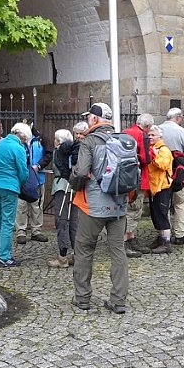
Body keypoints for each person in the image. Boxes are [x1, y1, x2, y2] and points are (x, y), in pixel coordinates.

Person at [69, 103, 129, 314]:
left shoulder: (89, 142)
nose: (87, 121)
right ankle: (118, 300)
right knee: (118, 251)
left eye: (88, 118)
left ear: (95, 119)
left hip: (92, 206)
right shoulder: (122, 140)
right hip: (119, 205)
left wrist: (73, 181)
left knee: (84, 250)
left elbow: (81, 171)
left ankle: (83, 298)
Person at [0, 123, 31, 267]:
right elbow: (23, 172)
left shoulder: (0, 143)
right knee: (7, 222)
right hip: (9, 187)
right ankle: (4, 257)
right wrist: (23, 183)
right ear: (23, 136)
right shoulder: (18, 148)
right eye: (26, 139)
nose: (25, 141)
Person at [158, 108, 184, 244]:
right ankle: (180, 234)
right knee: (181, 203)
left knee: (163, 203)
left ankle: (164, 233)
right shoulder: (181, 131)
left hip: (162, 173)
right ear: (178, 117)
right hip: (179, 173)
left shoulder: (159, 129)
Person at [122, 113, 153, 258]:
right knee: (134, 209)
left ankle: (132, 238)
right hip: (138, 177)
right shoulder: (143, 135)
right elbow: (146, 158)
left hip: (124, 177)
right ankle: (126, 242)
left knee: (128, 208)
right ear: (147, 126)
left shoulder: (125, 132)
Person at [47, 129, 79, 268]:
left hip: (63, 187)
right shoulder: (70, 152)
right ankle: (77, 256)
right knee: (74, 222)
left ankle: (63, 257)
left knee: (62, 220)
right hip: (72, 187)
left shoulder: (60, 150)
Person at [15, 125, 52, 244]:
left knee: (37, 205)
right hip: (21, 177)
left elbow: (48, 154)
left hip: (37, 177)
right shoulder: (17, 140)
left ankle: (36, 230)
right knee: (21, 205)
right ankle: (21, 231)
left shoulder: (41, 138)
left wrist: (39, 165)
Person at [146, 125, 175, 253]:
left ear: (160, 137)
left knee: (162, 213)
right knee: (155, 214)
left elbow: (163, 165)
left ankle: (166, 241)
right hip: (154, 187)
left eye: (153, 135)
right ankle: (160, 237)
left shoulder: (163, 150)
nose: (150, 137)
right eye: (149, 135)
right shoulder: (152, 148)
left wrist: (155, 156)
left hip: (163, 186)